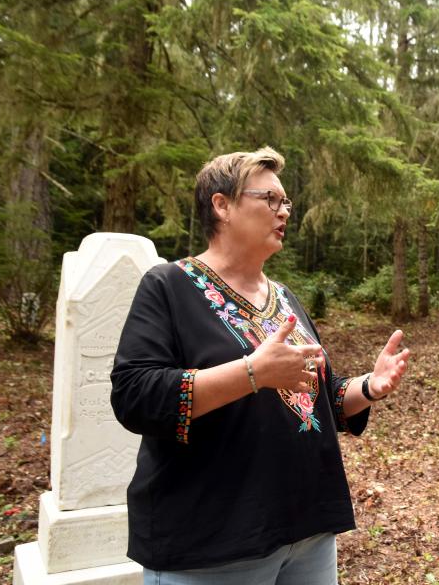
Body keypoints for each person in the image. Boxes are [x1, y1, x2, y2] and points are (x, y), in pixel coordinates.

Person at [110, 146, 409, 585]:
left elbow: (317, 398)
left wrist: (369, 386)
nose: (283, 211)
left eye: (286, 201)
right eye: (269, 199)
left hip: (307, 528)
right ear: (222, 205)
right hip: (213, 540)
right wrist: (252, 372)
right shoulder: (168, 286)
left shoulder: (284, 298)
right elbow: (134, 396)